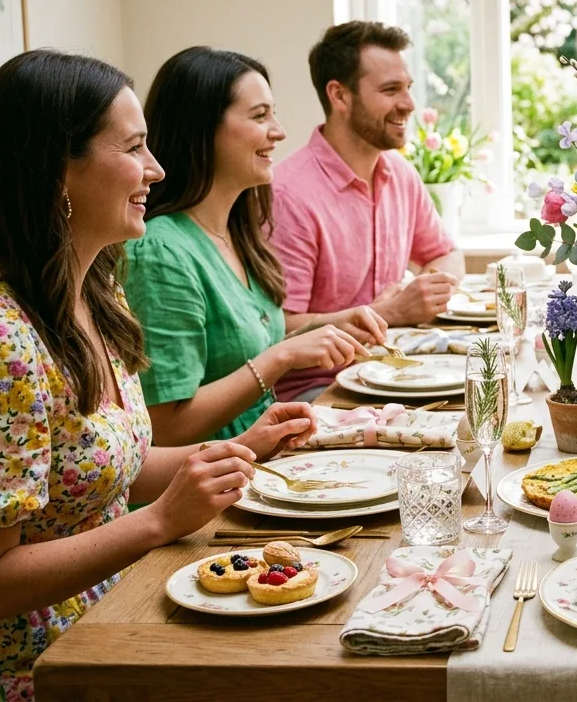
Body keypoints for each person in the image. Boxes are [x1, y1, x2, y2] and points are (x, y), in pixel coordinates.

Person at [0, 50, 316, 701]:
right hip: (50, 670)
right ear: (59, 168)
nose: (157, 170)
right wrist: (158, 521)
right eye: (135, 148)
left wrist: (235, 451)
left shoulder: (92, 299)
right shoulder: (5, 340)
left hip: (123, 615)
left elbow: (106, 465)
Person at [124, 47, 387, 446]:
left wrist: (328, 324)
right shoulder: (161, 253)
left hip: (265, 458)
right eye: (260, 116)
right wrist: (282, 358)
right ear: (202, 128)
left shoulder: (236, 232)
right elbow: (165, 427)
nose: (279, 131)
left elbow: (240, 347)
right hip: (212, 487)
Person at [269, 21, 465, 402]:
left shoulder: (400, 173)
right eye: (390, 90)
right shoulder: (288, 194)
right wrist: (391, 312)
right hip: (317, 392)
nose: (408, 103)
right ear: (339, 96)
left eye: (407, 88)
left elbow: (446, 254)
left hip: (391, 374)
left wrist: (420, 291)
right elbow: (277, 328)